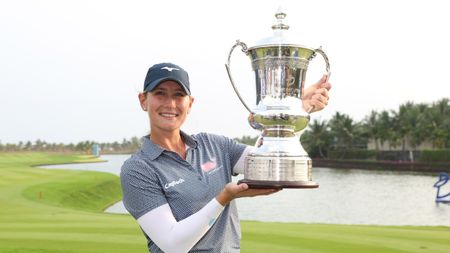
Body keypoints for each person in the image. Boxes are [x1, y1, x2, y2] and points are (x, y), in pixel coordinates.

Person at [120, 62, 331, 253]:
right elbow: (173, 244)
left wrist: (295, 112)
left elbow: (273, 164)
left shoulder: (214, 145)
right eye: (160, 93)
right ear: (143, 100)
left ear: (190, 103)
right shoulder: (138, 169)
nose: (170, 104)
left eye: (178, 95)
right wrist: (224, 198)